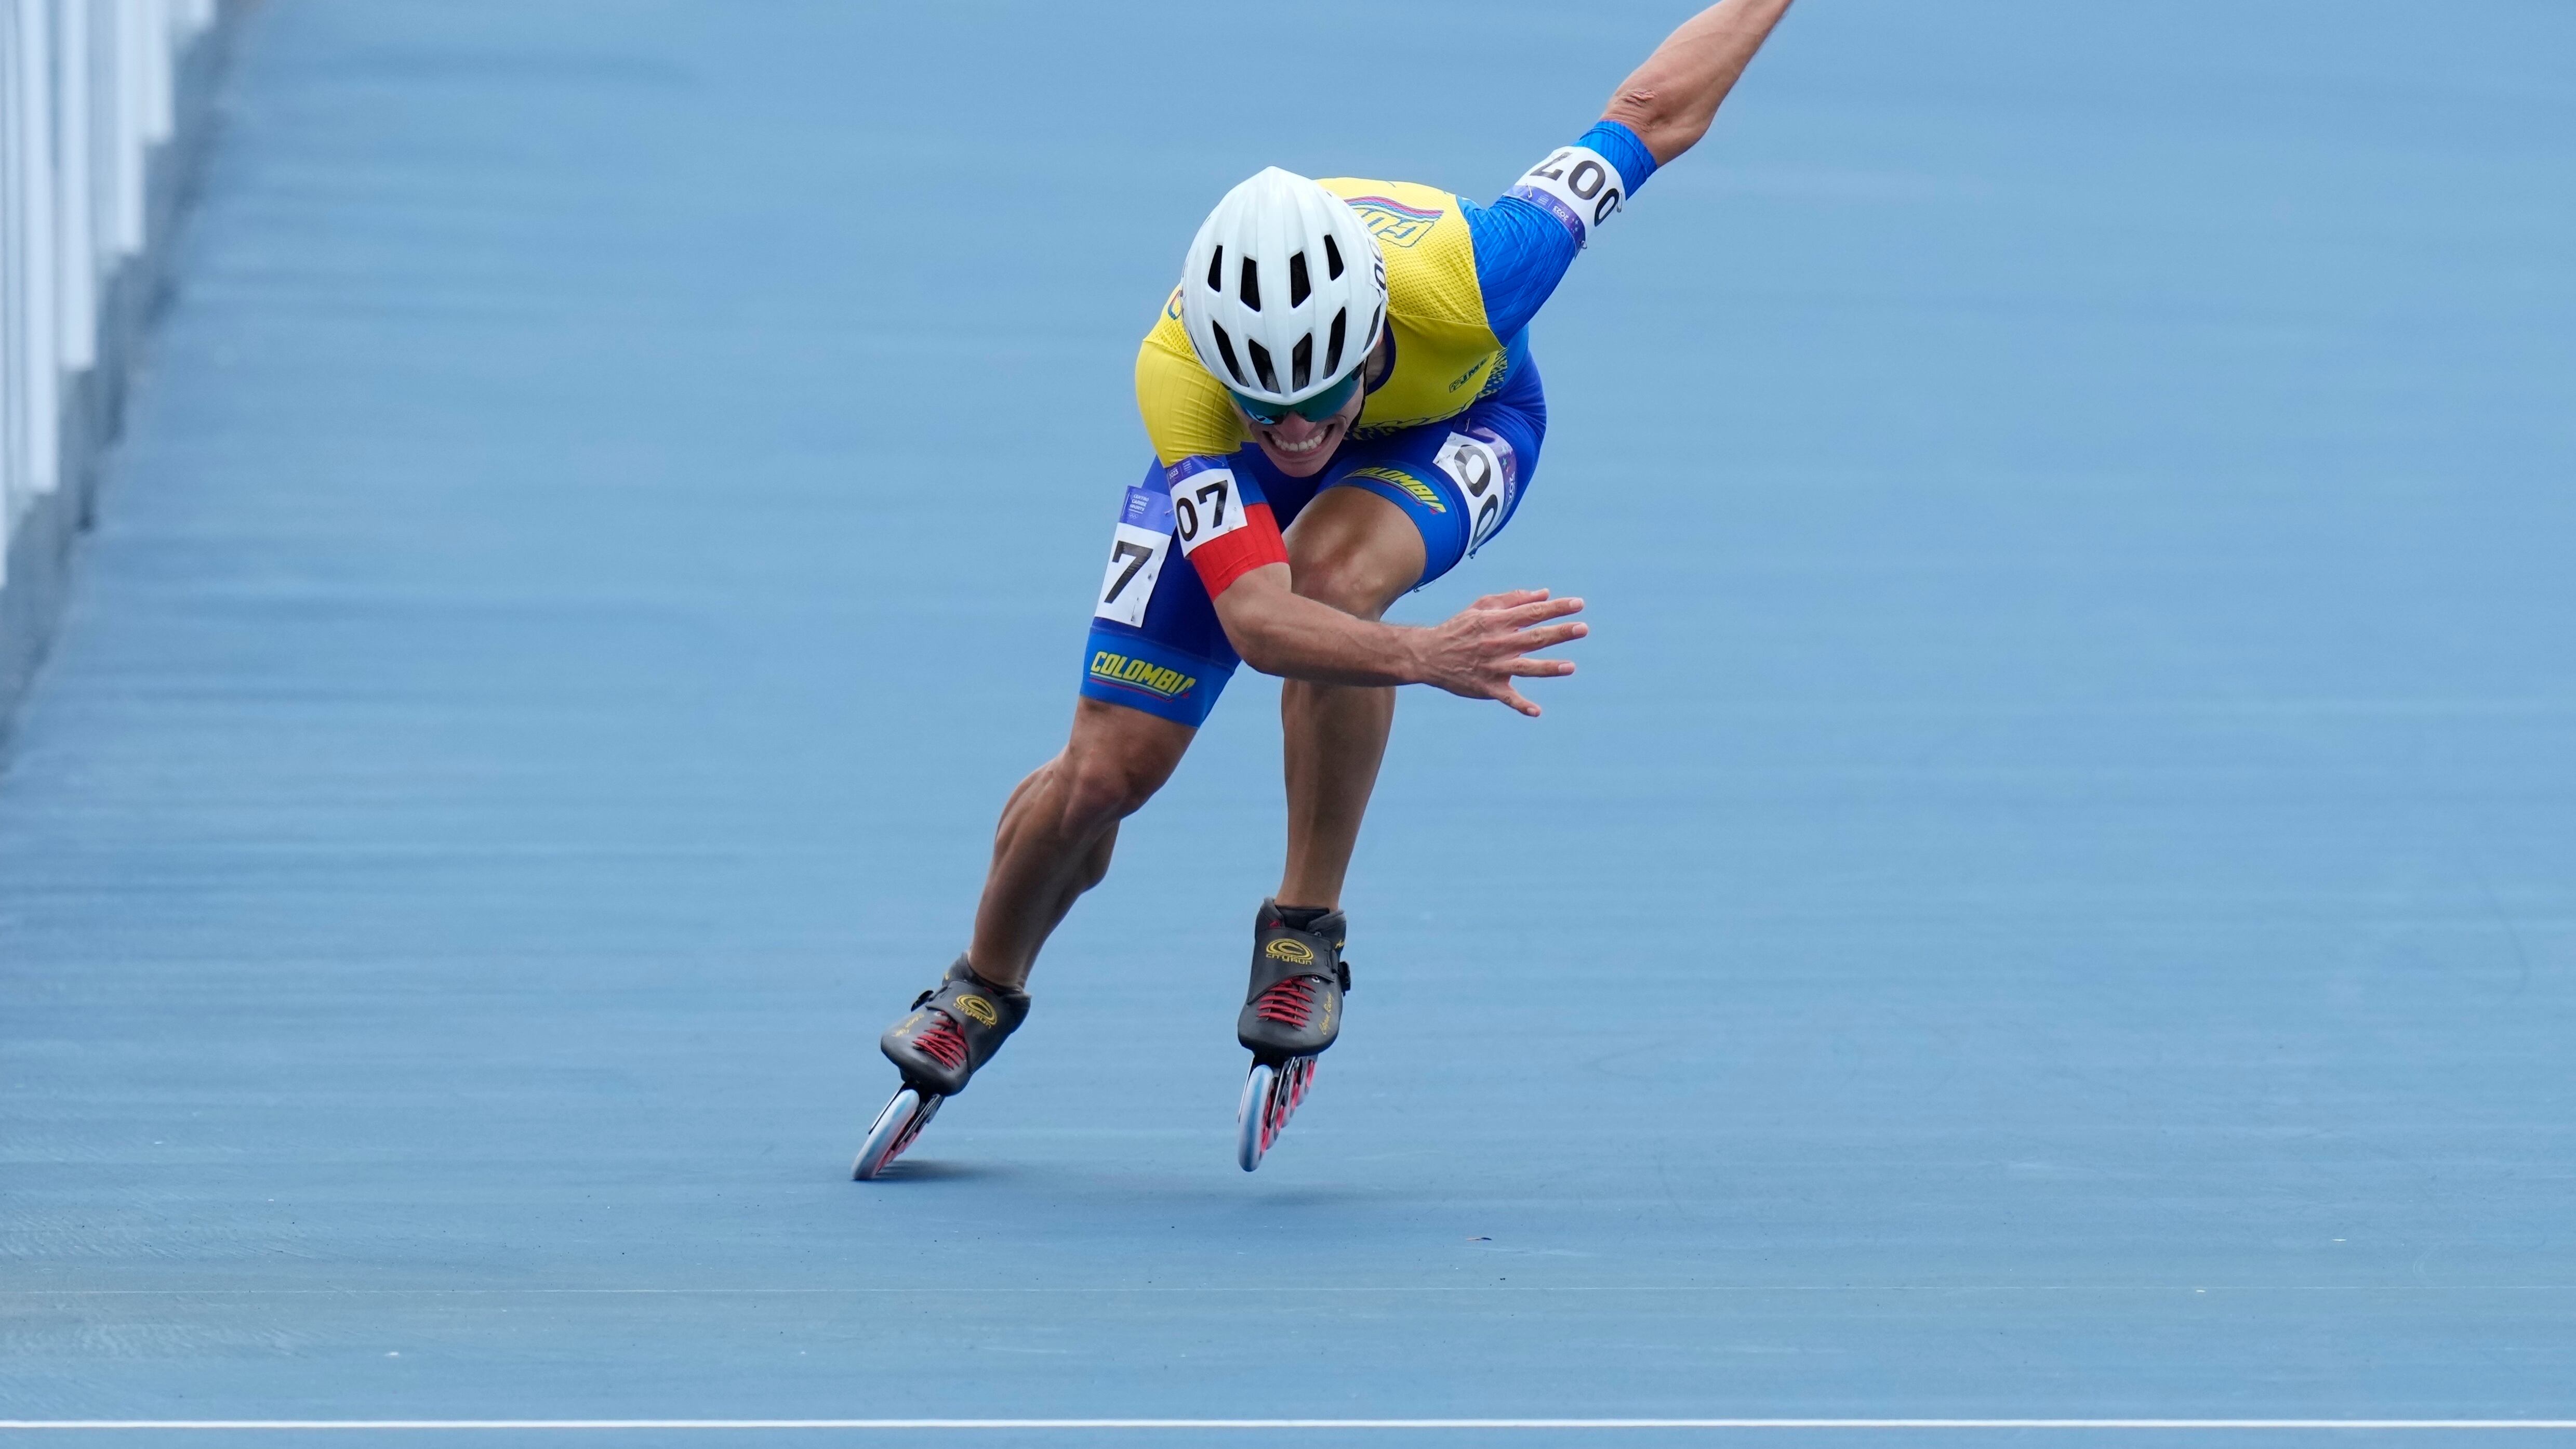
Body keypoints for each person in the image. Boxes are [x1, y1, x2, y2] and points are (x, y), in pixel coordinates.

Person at [855, 0, 1798, 1178]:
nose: (1297, 431)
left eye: (1319, 395)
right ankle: (982, 984)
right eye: (1267, 405)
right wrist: (1427, 656)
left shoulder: (1481, 270)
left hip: (1458, 423)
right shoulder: (1179, 377)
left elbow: (1649, 113)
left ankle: (1303, 931)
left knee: (1336, 582)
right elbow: (1255, 623)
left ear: (1369, 333)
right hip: (1236, 469)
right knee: (1104, 774)